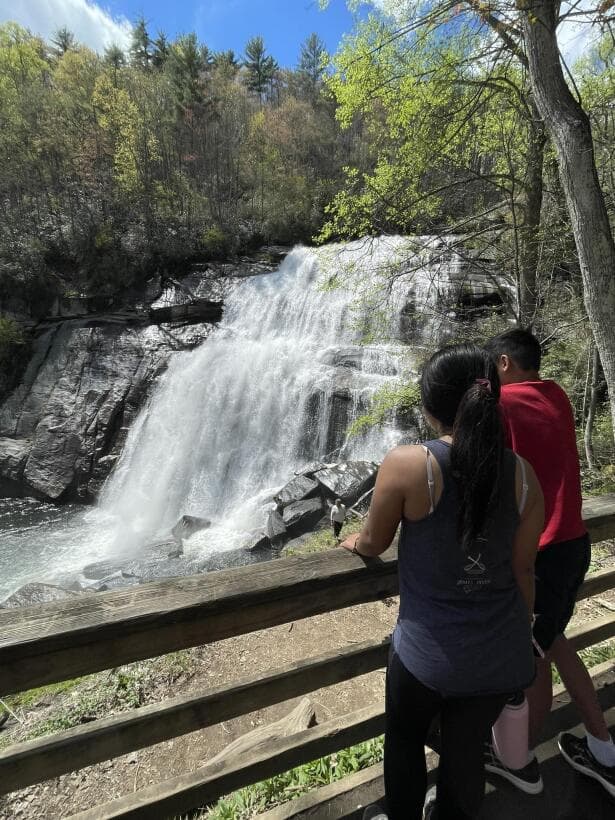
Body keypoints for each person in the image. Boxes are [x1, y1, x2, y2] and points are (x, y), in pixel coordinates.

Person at [341, 343, 544, 820]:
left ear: (431, 412)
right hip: (498, 653)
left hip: (424, 655)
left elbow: (372, 541)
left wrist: (354, 543)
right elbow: (522, 571)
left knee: (405, 739)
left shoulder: (410, 465)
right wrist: (526, 634)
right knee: (465, 750)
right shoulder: (523, 476)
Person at [485, 328, 615, 797]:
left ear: (502, 363)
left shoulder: (501, 405)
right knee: (553, 645)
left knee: (533, 658)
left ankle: (521, 765)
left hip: (537, 551)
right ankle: (603, 748)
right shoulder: (557, 395)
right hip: (573, 544)